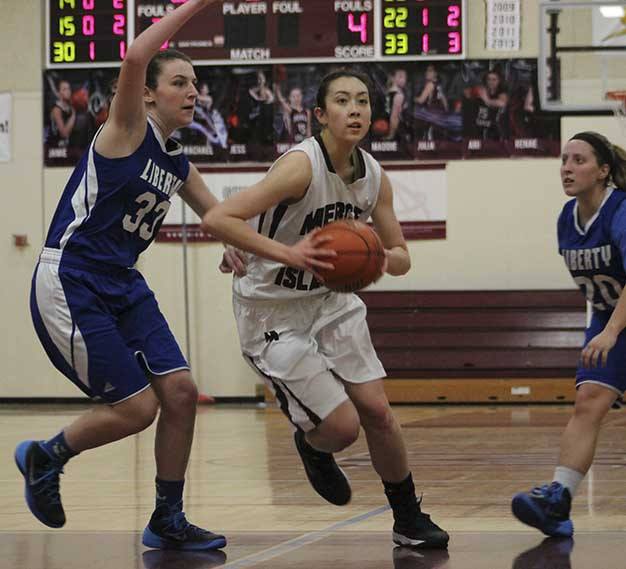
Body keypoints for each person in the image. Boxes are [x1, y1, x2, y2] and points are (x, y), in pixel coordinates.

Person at [15, 0, 239, 551]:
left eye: (196, 85)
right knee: (138, 408)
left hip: (122, 282)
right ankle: (46, 456)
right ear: (147, 92)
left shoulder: (175, 160)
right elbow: (138, 51)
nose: (193, 93)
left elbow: (215, 213)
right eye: (181, 82)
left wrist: (236, 245)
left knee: (181, 392)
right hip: (72, 278)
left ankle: (167, 518)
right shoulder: (126, 126)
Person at [202, 69, 449, 549]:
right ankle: (312, 445)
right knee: (341, 429)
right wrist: (279, 253)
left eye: (362, 101)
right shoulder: (299, 167)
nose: (355, 109)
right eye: (342, 101)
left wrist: (373, 252)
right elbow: (220, 217)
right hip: (272, 309)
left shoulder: (375, 177)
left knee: (377, 410)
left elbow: (400, 259)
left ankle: (408, 517)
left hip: (330, 301)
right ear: (320, 115)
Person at [512, 131, 626, 537]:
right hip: (610, 319)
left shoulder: (621, 210)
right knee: (587, 403)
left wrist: (612, 331)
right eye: (564, 159)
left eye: (579, 160)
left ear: (603, 171)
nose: (567, 167)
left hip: (615, 323)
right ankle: (558, 499)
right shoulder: (567, 216)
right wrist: (608, 327)